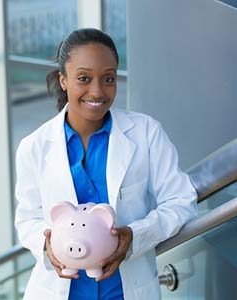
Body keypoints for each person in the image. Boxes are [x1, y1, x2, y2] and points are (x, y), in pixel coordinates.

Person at [14, 28, 197, 300]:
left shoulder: (146, 133)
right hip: (57, 291)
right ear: (64, 80)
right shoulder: (34, 146)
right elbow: (27, 218)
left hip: (124, 290)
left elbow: (182, 200)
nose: (97, 91)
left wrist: (134, 236)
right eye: (84, 78)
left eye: (108, 78)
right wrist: (48, 244)